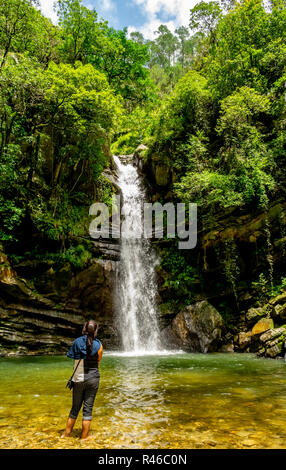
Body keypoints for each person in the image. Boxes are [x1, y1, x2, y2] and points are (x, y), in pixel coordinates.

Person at [61, 320, 103, 440]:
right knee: (88, 409)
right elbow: (98, 361)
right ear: (95, 331)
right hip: (93, 378)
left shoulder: (77, 342)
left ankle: (66, 434)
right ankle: (84, 438)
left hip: (78, 378)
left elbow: (71, 356)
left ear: (84, 329)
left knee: (75, 408)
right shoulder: (99, 345)